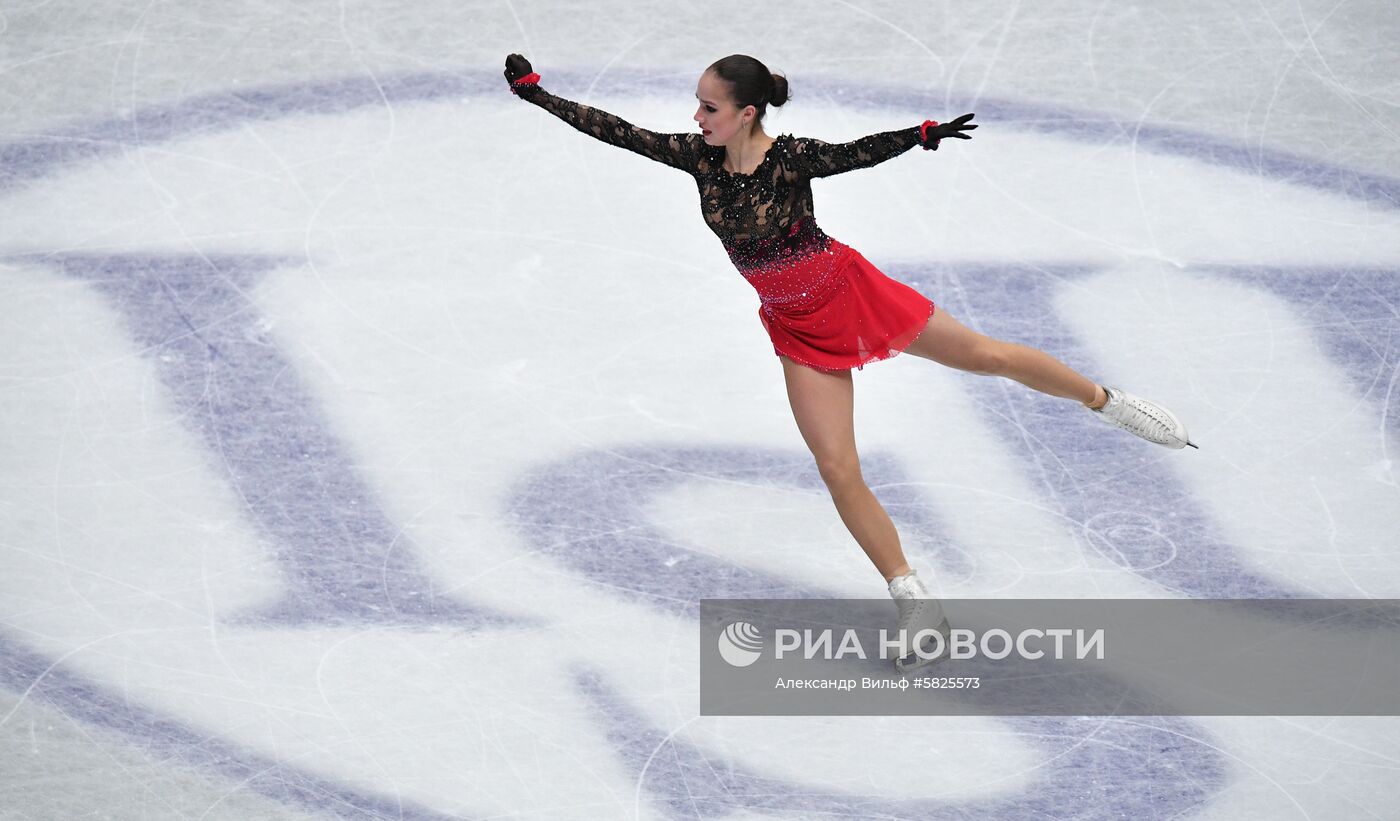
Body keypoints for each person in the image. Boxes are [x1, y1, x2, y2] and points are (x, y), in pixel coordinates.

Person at [503, 53, 1196, 672]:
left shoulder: (790, 157)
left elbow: (858, 152)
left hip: (849, 291)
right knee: (838, 468)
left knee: (986, 355)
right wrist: (537, 94)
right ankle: (915, 600)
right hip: (797, 327)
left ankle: (1109, 402)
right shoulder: (698, 156)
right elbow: (616, 129)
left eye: (709, 107)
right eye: (697, 105)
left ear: (747, 113)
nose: (696, 116)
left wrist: (918, 136)